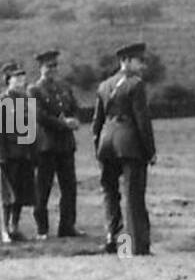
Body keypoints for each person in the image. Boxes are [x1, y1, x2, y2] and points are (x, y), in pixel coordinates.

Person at [93, 42, 156, 256]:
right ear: (126, 61)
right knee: (133, 195)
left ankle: (113, 239)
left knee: (110, 194)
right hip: (129, 144)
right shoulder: (136, 84)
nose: (142, 65)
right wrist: (150, 150)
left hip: (107, 142)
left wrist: (98, 148)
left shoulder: (104, 85)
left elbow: (97, 122)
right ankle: (136, 246)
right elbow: (142, 121)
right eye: (139, 61)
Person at [28, 49, 84, 240]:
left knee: (69, 188)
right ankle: (42, 228)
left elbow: (75, 107)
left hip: (66, 145)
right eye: (48, 66)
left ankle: (67, 226)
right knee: (43, 188)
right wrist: (63, 124)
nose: (52, 69)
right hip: (47, 145)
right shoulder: (34, 90)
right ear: (41, 68)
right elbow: (40, 116)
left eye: (55, 66)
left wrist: (75, 119)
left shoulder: (64, 87)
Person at [0, 62, 37, 243]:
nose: (21, 81)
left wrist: (33, 152)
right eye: (16, 78)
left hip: (24, 152)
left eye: (22, 77)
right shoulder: (2, 100)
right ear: (8, 81)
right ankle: (5, 229)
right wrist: (1, 156)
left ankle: (15, 226)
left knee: (21, 193)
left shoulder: (26, 100)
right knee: (8, 194)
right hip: (9, 152)